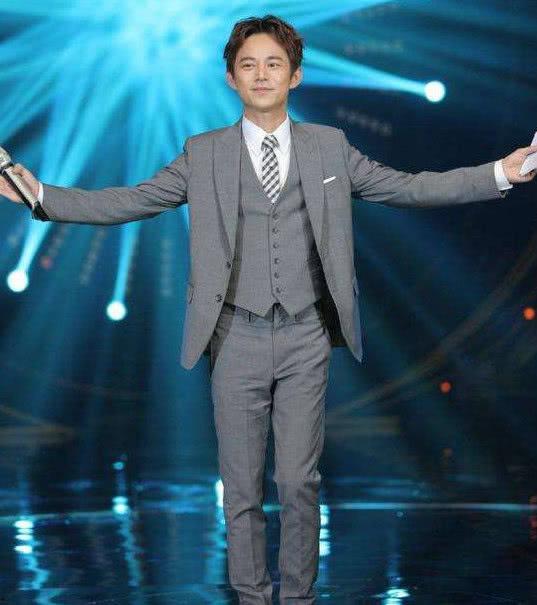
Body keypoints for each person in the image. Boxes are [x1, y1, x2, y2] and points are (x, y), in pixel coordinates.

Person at [1, 14, 536, 605]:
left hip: (307, 333)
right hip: (234, 335)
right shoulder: (203, 153)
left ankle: (298, 599)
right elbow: (130, 201)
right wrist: (39, 194)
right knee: (241, 489)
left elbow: (408, 187)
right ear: (231, 78)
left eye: (273, 64)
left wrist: (501, 172)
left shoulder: (329, 146)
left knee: (300, 481)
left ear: (295, 75)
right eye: (248, 65)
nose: (261, 74)